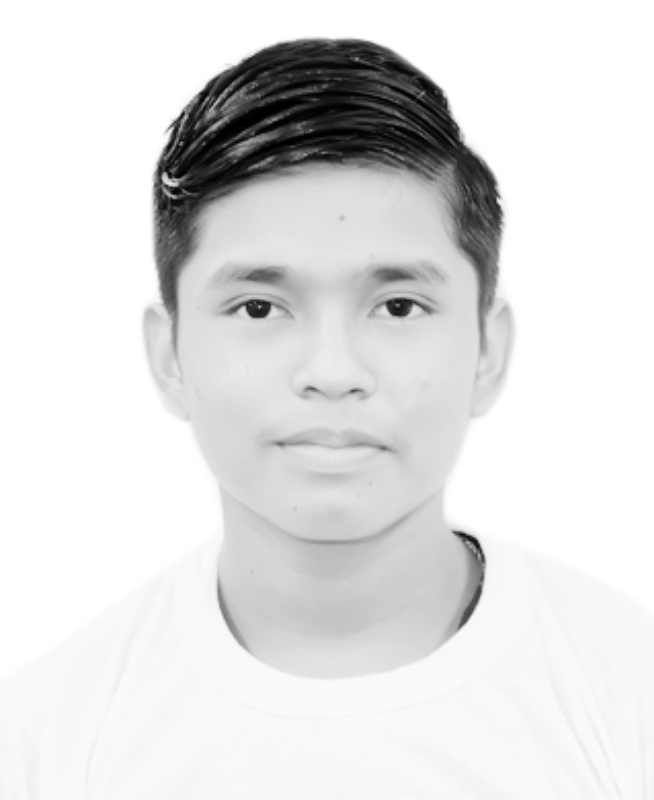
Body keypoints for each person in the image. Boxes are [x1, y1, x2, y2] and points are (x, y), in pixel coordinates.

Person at [1, 37, 652, 799]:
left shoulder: (629, 697)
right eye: (259, 307)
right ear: (170, 354)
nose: (334, 372)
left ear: (488, 350)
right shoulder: (42, 742)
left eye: (399, 306)